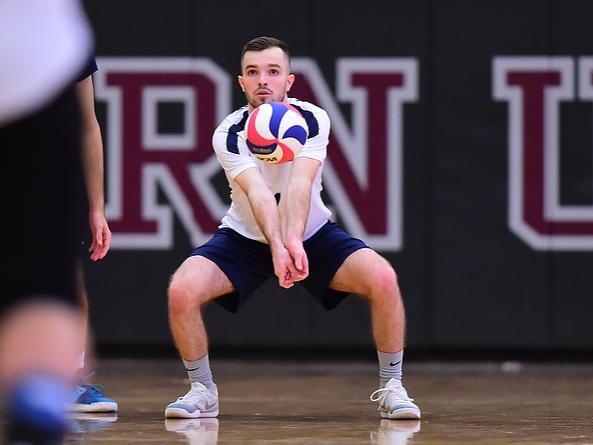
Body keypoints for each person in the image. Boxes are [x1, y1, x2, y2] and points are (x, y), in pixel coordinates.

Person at [164, 36, 421, 420]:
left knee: (383, 278)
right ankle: (202, 390)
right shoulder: (230, 132)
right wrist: (278, 245)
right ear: (241, 83)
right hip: (245, 237)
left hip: (312, 233)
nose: (262, 80)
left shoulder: (313, 118)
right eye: (253, 72)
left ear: (289, 80)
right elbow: (259, 194)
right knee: (181, 291)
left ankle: (393, 386)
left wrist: (293, 241)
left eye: (272, 71)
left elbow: (300, 185)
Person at [0, 0, 95, 443]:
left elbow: (90, 125)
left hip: (33, 73)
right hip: (30, 76)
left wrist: (96, 207)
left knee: (48, 279)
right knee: (42, 288)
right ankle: (37, 406)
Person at [69, 56, 118, 414]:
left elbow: (88, 125)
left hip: (42, 174)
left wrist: (96, 206)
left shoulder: (67, 38)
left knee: (66, 275)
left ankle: (70, 380)